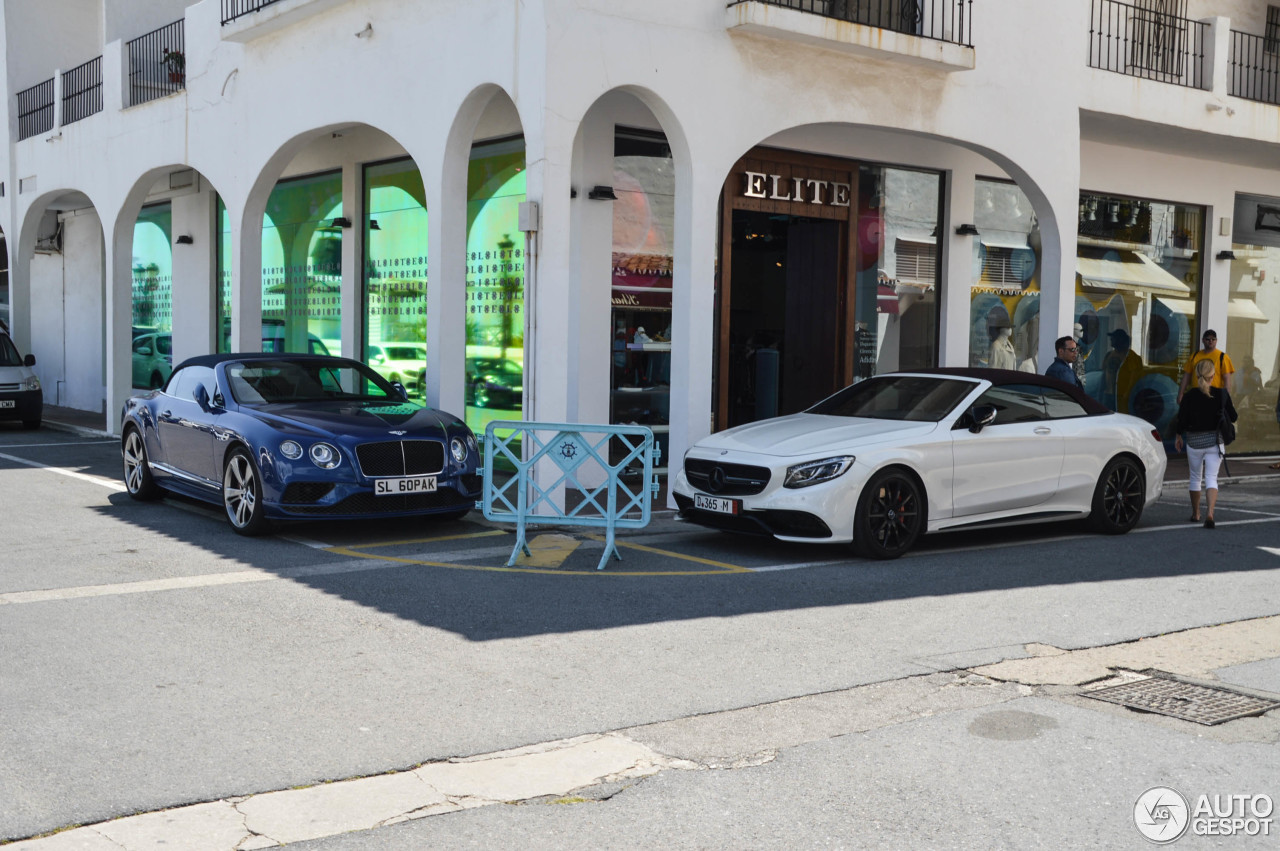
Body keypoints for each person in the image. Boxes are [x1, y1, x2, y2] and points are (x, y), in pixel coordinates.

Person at [1173, 359, 1237, 528]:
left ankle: (1196, 513)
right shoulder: (1222, 394)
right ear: (1213, 375)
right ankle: (1210, 512)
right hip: (1215, 442)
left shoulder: (1189, 396)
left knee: (1195, 477)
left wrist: (1179, 436)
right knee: (1211, 478)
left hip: (1194, 442)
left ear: (1196, 375)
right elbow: (1235, 416)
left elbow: (1182, 420)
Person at [1178, 329, 1234, 402]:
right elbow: (1186, 376)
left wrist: (1226, 398)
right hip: (1196, 395)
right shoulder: (1194, 356)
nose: (1210, 341)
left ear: (1216, 341)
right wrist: (1180, 394)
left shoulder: (1222, 357)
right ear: (1203, 340)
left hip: (1214, 396)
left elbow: (1227, 379)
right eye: (1208, 339)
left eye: (1213, 339)